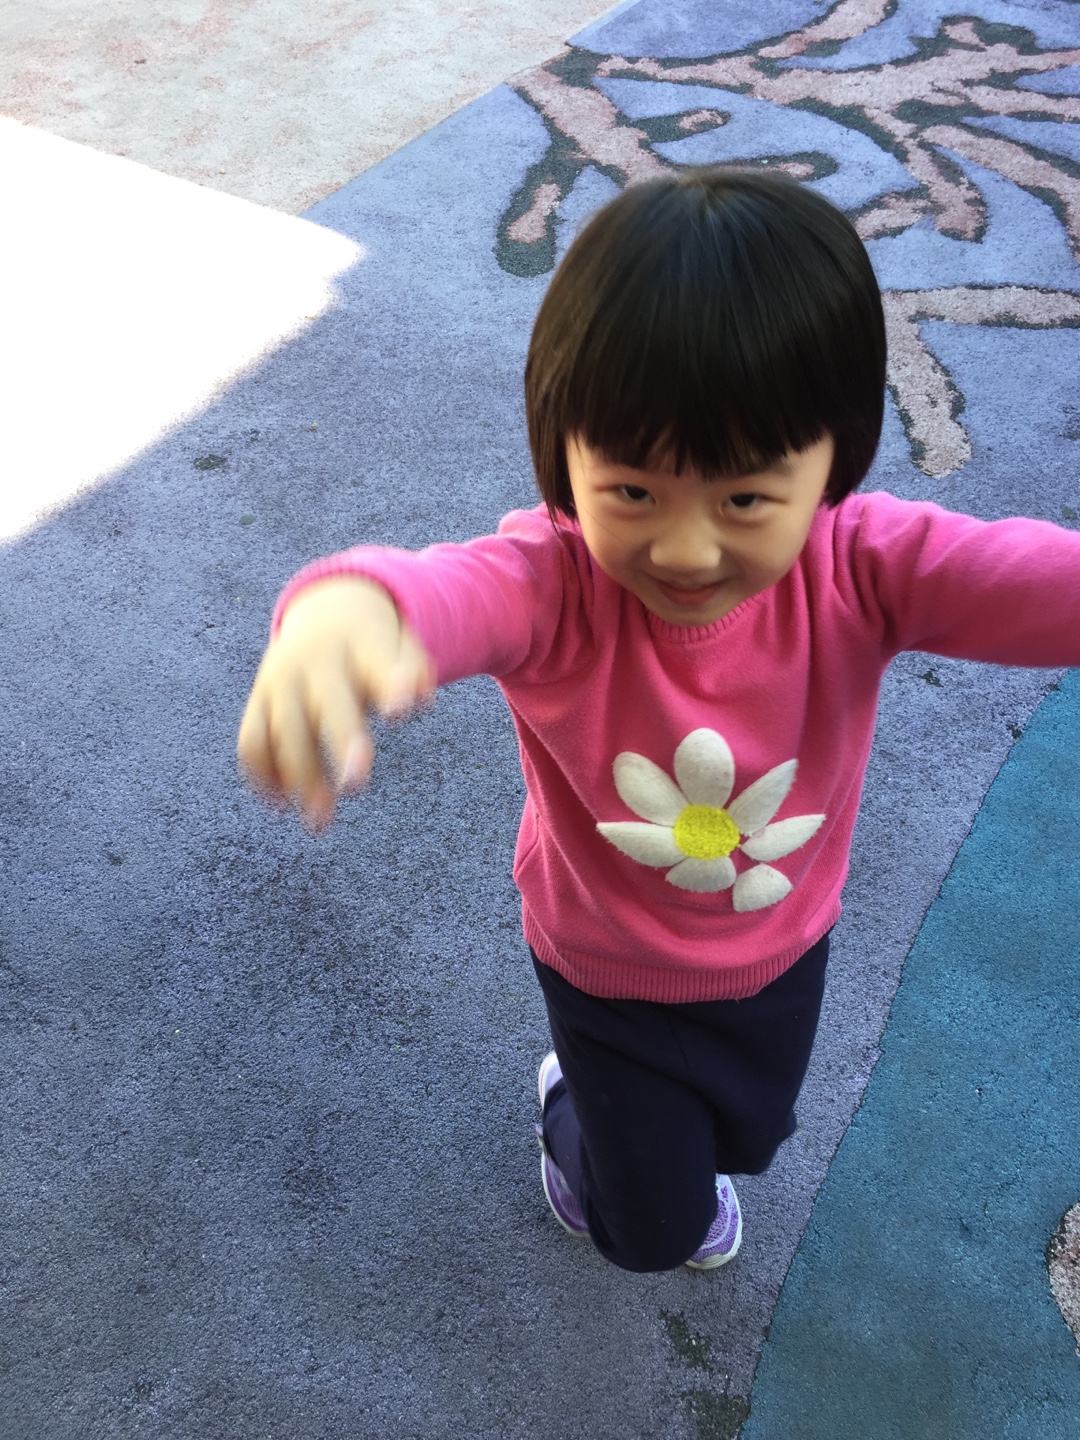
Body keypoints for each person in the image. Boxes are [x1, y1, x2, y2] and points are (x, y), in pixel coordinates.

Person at [237, 167, 1080, 1273]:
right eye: (632, 490)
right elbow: (448, 589)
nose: (684, 548)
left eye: (745, 498)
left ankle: (651, 1135)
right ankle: (571, 1112)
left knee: (748, 1136)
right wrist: (351, 610)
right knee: (654, 1233)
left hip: (780, 944)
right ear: (566, 452)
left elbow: (1028, 580)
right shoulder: (557, 584)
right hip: (604, 966)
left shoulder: (862, 568)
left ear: (833, 463)